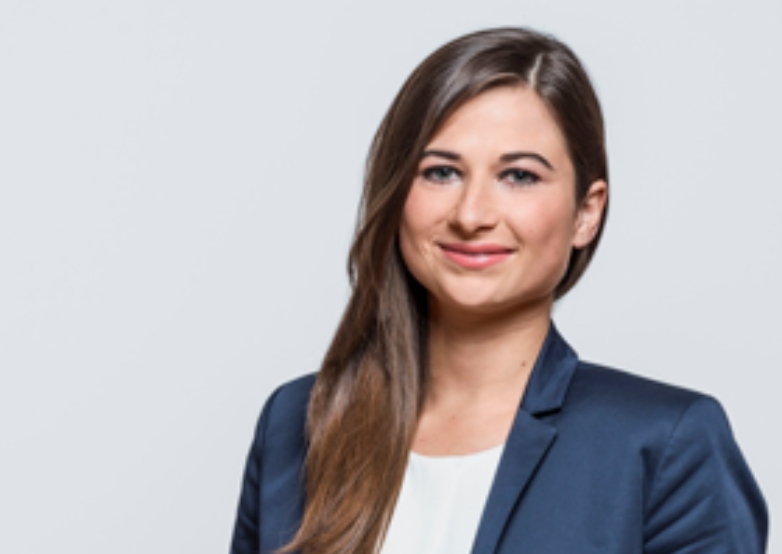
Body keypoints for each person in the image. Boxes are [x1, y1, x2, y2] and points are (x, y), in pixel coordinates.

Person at [230, 27, 767, 554]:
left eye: (519, 176)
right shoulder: (297, 421)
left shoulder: (664, 443)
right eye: (440, 172)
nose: (471, 215)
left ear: (587, 212)